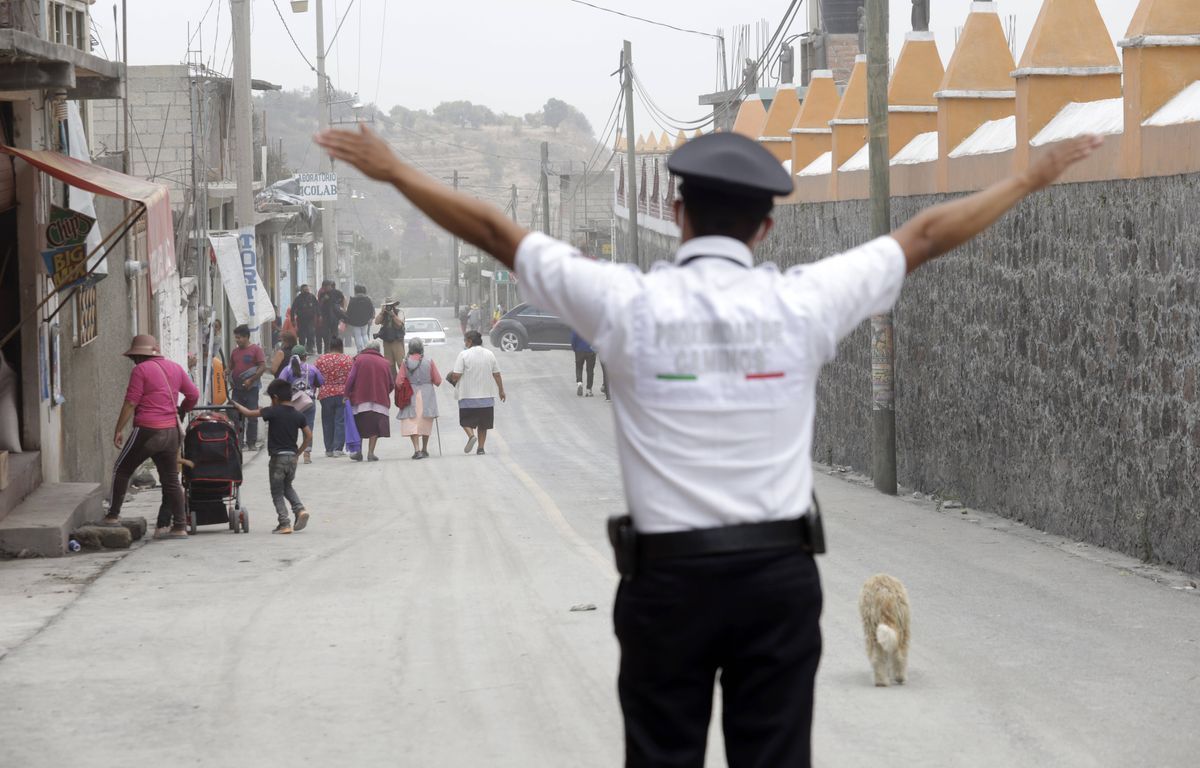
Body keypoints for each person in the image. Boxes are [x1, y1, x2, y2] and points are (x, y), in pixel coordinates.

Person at [317, 123, 1100, 766]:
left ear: (679, 213)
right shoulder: (805, 302)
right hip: (776, 584)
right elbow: (925, 233)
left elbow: (494, 230)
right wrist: (1029, 178)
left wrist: (395, 170)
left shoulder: (625, 301)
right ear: (765, 227)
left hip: (668, 588)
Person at [99, 334, 199, 540]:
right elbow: (193, 395)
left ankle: (113, 515)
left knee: (122, 468)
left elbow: (131, 402)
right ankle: (180, 526)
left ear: (139, 356)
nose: (134, 361)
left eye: (134, 357)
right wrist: (181, 411)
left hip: (147, 430)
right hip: (171, 431)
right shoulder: (176, 368)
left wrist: (118, 429)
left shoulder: (140, 370)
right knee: (171, 479)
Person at [232, 378, 312, 534]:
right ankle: (300, 509)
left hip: (277, 459)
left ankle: (284, 523)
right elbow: (308, 436)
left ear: (275, 397)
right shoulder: (298, 415)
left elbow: (249, 413)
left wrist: (236, 404)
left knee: (276, 491)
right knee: (287, 486)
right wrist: (298, 453)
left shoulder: (272, 411)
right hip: (291, 458)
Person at [447, 330, 505, 455]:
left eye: (465, 340)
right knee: (483, 425)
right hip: (486, 397)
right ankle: (481, 448)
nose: (464, 343)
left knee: (465, 421)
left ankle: (471, 436)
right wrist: (501, 391)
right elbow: (497, 374)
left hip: (467, 396)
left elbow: (456, 375)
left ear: (470, 341)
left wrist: (451, 377)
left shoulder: (463, 355)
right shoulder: (490, 354)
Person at [344, 339, 393, 461]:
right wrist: (383, 392)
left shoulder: (358, 359)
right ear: (378, 350)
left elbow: (351, 378)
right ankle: (371, 453)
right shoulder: (385, 363)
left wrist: (346, 394)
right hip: (379, 402)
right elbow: (391, 384)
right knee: (374, 427)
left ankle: (358, 452)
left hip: (360, 401)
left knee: (359, 426)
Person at [395, 338, 442, 459]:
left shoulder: (405, 363)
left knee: (412, 422)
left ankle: (416, 450)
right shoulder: (429, 361)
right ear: (421, 348)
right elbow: (438, 381)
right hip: (427, 395)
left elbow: (399, 382)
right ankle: (425, 449)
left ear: (410, 349)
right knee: (426, 421)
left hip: (411, 395)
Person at [278, 344, 324, 464]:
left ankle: (292, 453)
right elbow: (320, 382)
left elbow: (280, 383)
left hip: (291, 404)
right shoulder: (311, 368)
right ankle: (307, 454)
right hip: (308, 402)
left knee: (291, 429)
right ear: (305, 356)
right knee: (308, 427)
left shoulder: (287, 370)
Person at [228, 324, 266, 450]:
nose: (237, 340)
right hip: (237, 390)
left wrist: (251, 380)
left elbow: (262, 367)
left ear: (246, 337)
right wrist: (226, 372)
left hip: (251, 389)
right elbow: (230, 366)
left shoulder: (256, 350)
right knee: (236, 416)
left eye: (239, 338)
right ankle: (239, 442)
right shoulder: (235, 352)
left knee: (252, 415)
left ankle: (251, 442)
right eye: (236, 338)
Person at [314, 337, 353, 457]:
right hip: (343, 393)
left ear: (330, 346)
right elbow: (352, 377)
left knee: (327, 421)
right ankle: (338, 448)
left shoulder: (321, 360)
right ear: (341, 346)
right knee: (340, 421)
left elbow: (315, 375)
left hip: (325, 394)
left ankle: (329, 449)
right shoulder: (348, 360)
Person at [375, 300, 407, 376]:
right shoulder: (384, 314)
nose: (389, 307)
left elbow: (400, 324)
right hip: (387, 341)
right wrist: (382, 312)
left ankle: (404, 381)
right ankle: (394, 383)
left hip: (397, 341)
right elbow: (376, 322)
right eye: (387, 306)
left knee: (401, 363)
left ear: (394, 305)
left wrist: (393, 315)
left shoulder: (399, 312)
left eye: (391, 305)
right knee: (390, 364)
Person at [318, 279, 346, 353]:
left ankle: (335, 349)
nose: (325, 288)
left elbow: (343, 300)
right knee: (326, 334)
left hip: (335, 316)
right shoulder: (322, 294)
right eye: (324, 287)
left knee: (335, 333)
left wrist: (342, 309)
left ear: (329, 286)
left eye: (326, 287)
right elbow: (319, 305)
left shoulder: (337, 293)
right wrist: (323, 299)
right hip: (325, 316)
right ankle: (327, 349)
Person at [345, 285, 376, 351]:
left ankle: (360, 350)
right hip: (365, 321)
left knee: (358, 336)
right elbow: (371, 309)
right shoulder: (367, 299)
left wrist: (347, 320)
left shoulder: (353, 300)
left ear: (355, 291)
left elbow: (349, 311)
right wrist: (371, 318)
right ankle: (368, 349)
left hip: (355, 321)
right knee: (365, 335)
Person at [292, 284, 321, 351]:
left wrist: (319, 316)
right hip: (301, 320)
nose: (306, 291)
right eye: (305, 290)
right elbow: (293, 309)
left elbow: (317, 307)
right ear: (301, 291)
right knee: (302, 335)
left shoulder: (312, 297)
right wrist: (292, 320)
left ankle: (310, 348)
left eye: (307, 290)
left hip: (310, 320)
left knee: (310, 334)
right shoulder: (298, 299)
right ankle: (302, 349)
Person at [571, 331, 598, 398]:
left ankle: (579, 383)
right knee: (590, 370)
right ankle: (589, 390)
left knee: (579, 367)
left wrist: (575, 348)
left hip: (579, 350)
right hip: (591, 351)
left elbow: (573, 338)